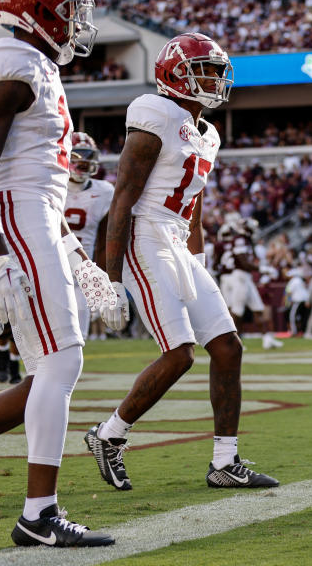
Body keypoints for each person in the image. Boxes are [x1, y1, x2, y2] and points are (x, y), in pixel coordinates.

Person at [0, 0, 116, 547]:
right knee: (60, 364)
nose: (77, 23)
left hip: (38, 219)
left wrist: (78, 258)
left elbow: (45, 183)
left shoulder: (37, 65)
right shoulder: (17, 63)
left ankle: (40, 510)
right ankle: (39, 515)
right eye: (70, 10)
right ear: (40, 11)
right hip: (18, 221)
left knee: (44, 375)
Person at [84, 33, 278, 492]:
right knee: (180, 353)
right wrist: (110, 279)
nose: (214, 80)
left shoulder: (206, 134)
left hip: (175, 239)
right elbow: (124, 199)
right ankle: (109, 435)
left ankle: (224, 462)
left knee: (229, 347)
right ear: (176, 75)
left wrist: (200, 258)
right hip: (144, 236)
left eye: (215, 71)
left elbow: (195, 208)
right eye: (204, 71)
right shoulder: (156, 113)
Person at [63, 133, 114, 341]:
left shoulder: (104, 191)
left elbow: (104, 242)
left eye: (88, 156)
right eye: (78, 156)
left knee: (77, 341)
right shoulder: (51, 186)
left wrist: (103, 278)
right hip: (49, 271)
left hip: (81, 276)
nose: (83, 162)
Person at [218, 217, 267, 335]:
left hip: (244, 277)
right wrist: (261, 269)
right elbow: (243, 262)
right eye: (252, 229)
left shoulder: (243, 240)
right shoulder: (240, 240)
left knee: (257, 307)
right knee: (237, 310)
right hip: (239, 277)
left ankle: (267, 339)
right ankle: (231, 339)